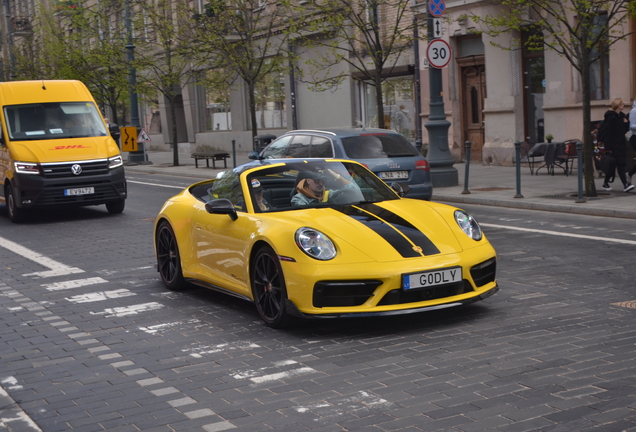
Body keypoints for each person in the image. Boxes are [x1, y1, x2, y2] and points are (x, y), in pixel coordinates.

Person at [600, 98, 633, 192]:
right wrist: (608, 147)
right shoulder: (611, 117)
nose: (624, 105)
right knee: (618, 164)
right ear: (618, 105)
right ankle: (625, 185)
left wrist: (626, 122)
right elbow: (607, 133)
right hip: (613, 144)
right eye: (622, 104)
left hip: (621, 143)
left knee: (617, 164)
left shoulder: (622, 116)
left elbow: (624, 130)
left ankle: (606, 183)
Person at [291, 169, 360, 208]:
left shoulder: (328, 194)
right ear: (308, 181)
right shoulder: (299, 199)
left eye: (323, 181)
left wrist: (336, 176)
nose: (321, 184)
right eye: (317, 181)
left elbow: (354, 190)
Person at [628, 101, 636, 183]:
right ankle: (629, 174)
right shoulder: (634, 111)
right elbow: (631, 126)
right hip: (634, 137)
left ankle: (630, 174)